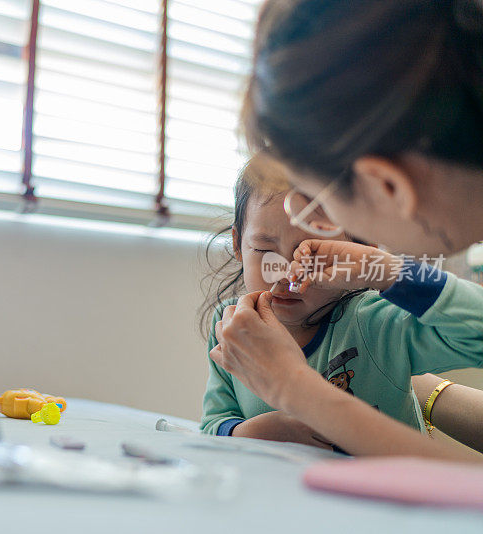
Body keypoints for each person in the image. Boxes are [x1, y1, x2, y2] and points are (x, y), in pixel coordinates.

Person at [211, 0, 483, 460]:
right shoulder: (233, 326)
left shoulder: (372, 321)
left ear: (385, 184)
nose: (307, 222)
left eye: (318, 200)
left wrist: (295, 389)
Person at [201, 157, 483, 454]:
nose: (286, 273)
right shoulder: (232, 324)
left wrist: (384, 271)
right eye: (263, 250)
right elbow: (213, 423)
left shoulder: (375, 322)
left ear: (360, 248)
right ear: (237, 244)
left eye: (309, 254)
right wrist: (252, 431)